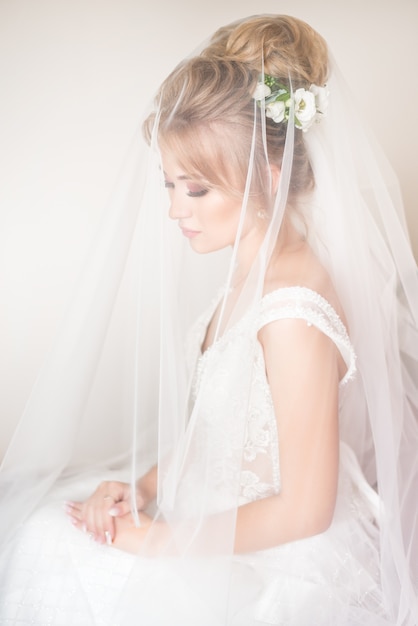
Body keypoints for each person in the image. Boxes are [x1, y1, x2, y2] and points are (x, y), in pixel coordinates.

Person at [0, 14, 417, 626]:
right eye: (169, 185)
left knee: (49, 544)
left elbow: (307, 508)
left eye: (195, 190)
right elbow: (221, 435)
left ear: (267, 180)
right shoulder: (246, 276)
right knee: (42, 526)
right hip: (216, 511)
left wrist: (162, 540)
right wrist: (142, 488)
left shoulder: (294, 312)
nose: (173, 210)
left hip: (279, 560)